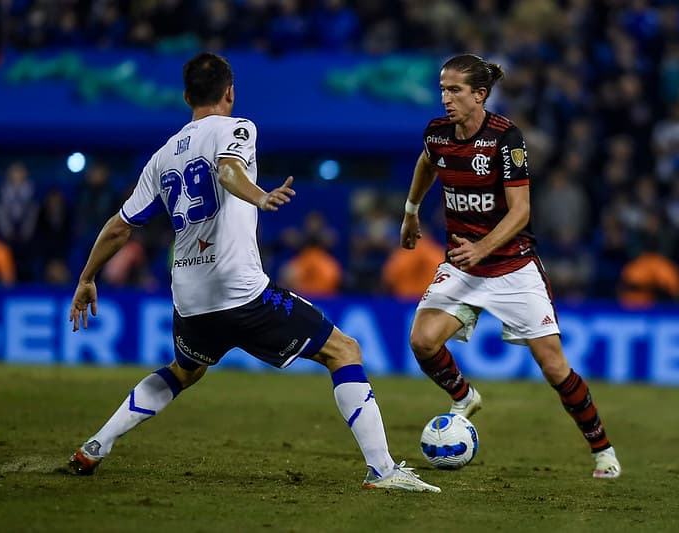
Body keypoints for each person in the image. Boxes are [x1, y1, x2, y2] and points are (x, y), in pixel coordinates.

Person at [67, 52, 439, 493]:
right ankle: (383, 471)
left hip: (189, 299)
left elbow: (119, 226)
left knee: (184, 370)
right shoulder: (237, 128)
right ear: (230, 92)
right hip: (240, 292)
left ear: (186, 96)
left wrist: (86, 278)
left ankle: (96, 444)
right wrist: (260, 196)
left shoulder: (162, 156)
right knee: (344, 350)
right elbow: (227, 170)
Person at [399, 54, 621, 479]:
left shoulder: (506, 138)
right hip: (464, 266)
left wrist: (482, 249)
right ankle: (464, 397)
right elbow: (428, 162)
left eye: (455, 90)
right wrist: (411, 211)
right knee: (423, 341)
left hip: (512, 267)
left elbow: (520, 213)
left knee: (555, 368)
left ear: (479, 95)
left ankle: (602, 449)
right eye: (443, 89)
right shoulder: (437, 134)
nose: (445, 98)